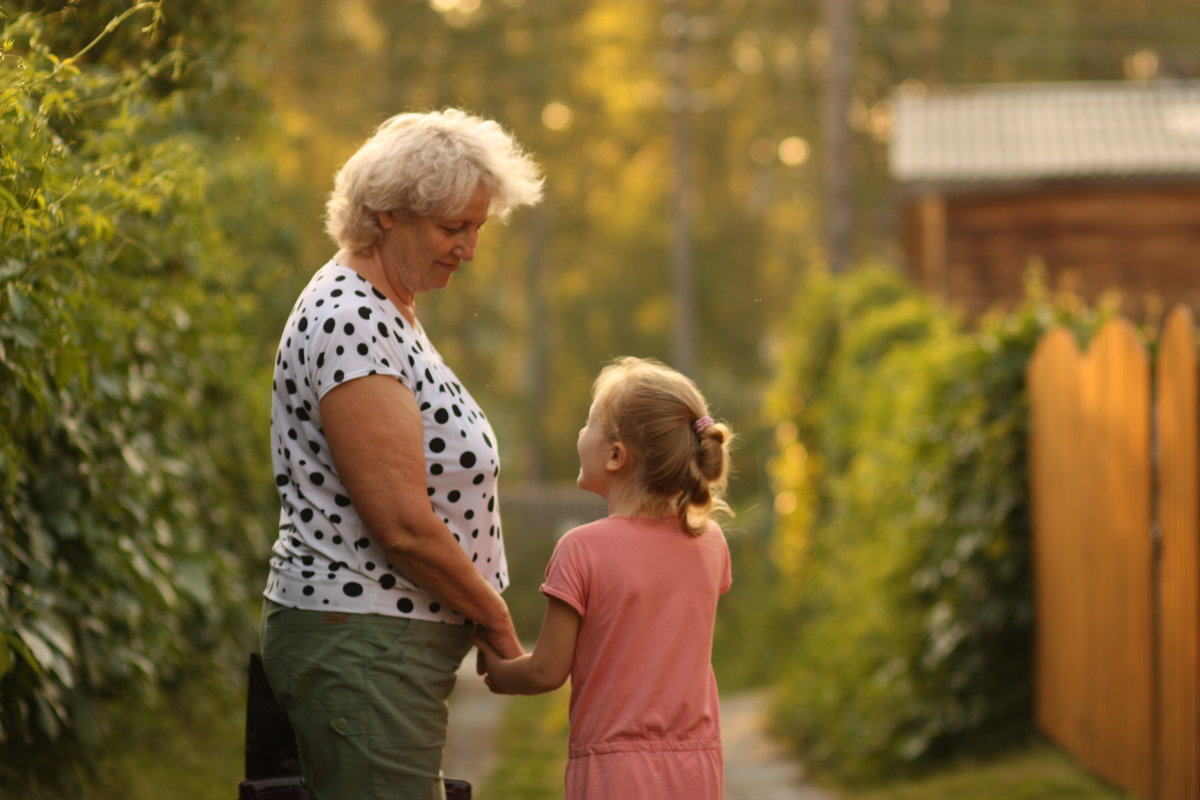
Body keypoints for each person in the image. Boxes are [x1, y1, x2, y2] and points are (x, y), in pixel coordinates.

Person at [258, 108, 543, 800]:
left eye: (478, 226)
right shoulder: (350, 316)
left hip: (383, 645)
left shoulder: (391, 310)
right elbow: (402, 525)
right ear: (385, 213)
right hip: (362, 646)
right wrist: (497, 621)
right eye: (453, 228)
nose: (469, 248)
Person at [475, 356, 735, 800]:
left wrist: (499, 671)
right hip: (698, 768)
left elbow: (546, 671)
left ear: (616, 455)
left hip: (617, 775)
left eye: (589, 422)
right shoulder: (711, 544)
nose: (581, 433)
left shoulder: (582, 549)